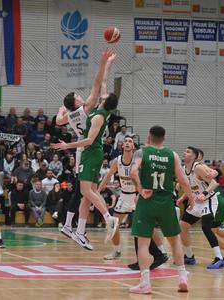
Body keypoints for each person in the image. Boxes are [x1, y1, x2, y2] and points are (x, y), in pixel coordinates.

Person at [53, 48, 118, 250]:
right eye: (78, 96)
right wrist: (103, 63)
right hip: (87, 148)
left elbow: (58, 121)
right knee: (85, 192)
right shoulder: (88, 108)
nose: (82, 96)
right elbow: (99, 83)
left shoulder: (71, 116)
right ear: (77, 102)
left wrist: (60, 110)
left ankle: (77, 227)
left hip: (86, 147)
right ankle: (83, 227)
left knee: (85, 192)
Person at [129, 125, 193, 294]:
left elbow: (133, 172)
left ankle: (145, 283)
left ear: (149, 137)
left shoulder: (141, 152)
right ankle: (182, 277)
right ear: (164, 138)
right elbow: (184, 181)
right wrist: (191, 199)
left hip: (147, 200)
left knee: (143, 242)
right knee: (174, 241)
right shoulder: (173, 155)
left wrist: (141, 189)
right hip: (166, 201)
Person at [98, 136, 169, 269]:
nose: (127, 143)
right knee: (114, 224)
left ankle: (162, 251)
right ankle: (116, 250)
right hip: (124, 196)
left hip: (137, 196)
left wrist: (143, 192)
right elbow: (107, 177)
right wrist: (98, 190)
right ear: (122, 146)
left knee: (148, 227)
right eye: (125, 141)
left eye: (130, 141)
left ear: (134, 147)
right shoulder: (116, 161)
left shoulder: (139, 161)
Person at [178, 146, 224, 269]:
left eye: (188, 151)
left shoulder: (198, 168)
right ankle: (189, 256)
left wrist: (204, 194)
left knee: (206, 227)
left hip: (209, 200)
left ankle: (220, 258)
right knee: (183, 225)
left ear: (194, 156)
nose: (184, 153)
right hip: (197, 202)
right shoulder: (183, 169)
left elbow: (214, 183)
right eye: (185, 151)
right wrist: (186, 199)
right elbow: (190, 187)